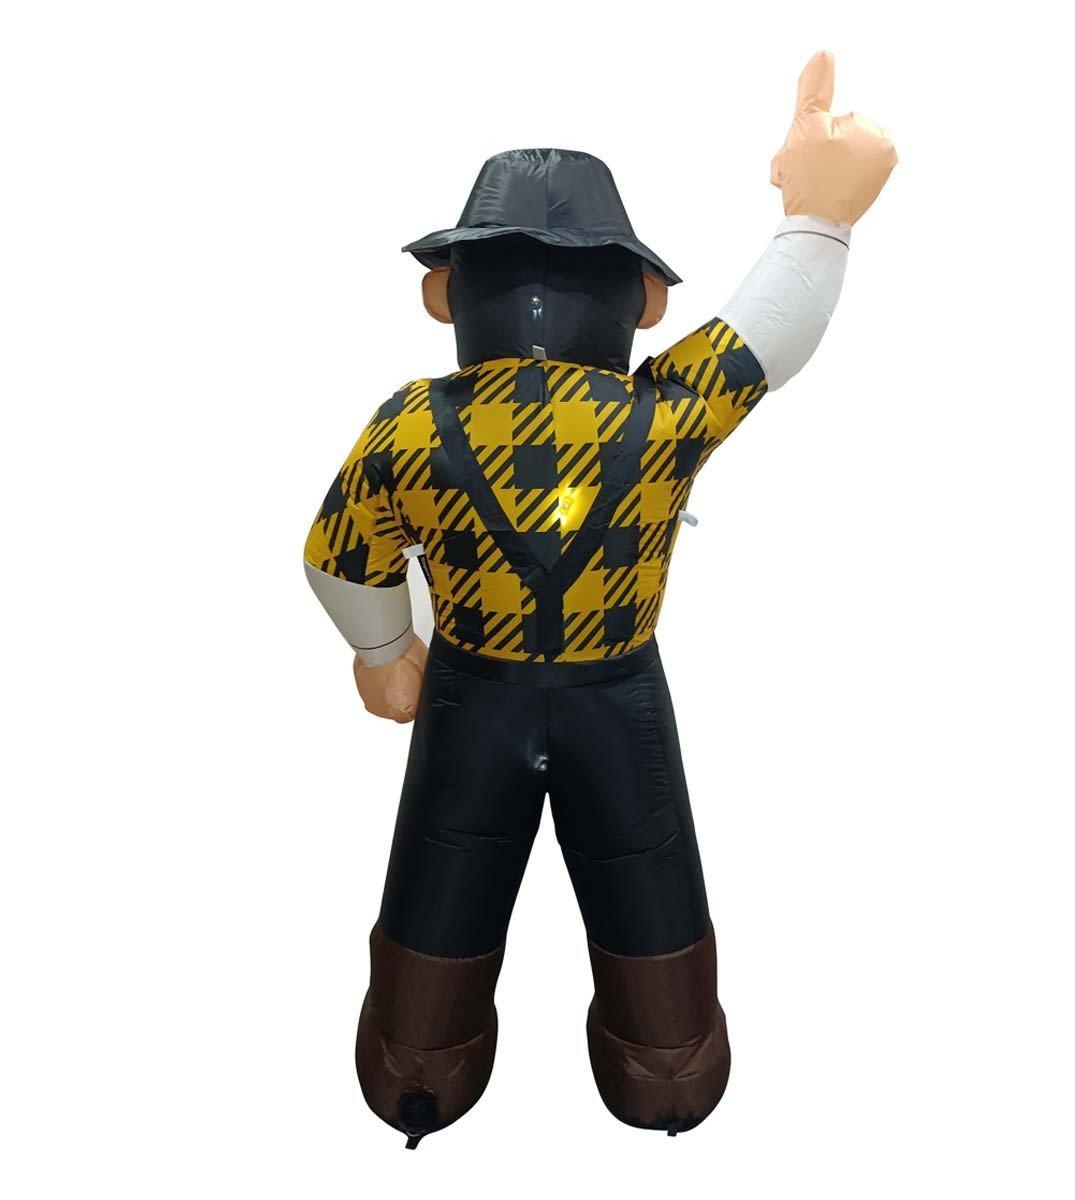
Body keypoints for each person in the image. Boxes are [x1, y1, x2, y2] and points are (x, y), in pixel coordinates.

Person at [304, 52, 896, 1146]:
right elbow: (767, 340)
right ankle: (665, 1069)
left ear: (446, 294)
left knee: (443, 868)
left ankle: (418, 1070)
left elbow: (340, 554)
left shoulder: (412, 421)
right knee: (645, 865)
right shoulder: (663, 413)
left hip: (469, 697)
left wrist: (385, 652)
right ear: (644, 299)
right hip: (618, 697)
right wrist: (819, 219)